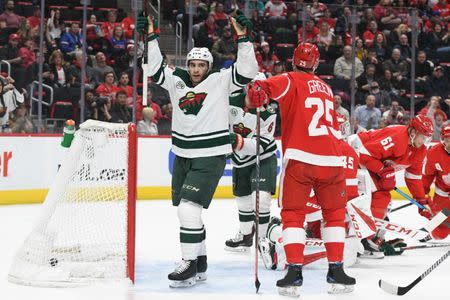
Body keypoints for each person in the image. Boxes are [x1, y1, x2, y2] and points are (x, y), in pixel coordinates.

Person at [137, 10, 257, 287]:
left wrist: (244, 39)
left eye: (201, 65)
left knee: (188, 210)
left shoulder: (221, 80)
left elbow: (248, 70)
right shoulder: (177, 79)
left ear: (209, 66)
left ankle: (189, 263)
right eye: (192, 64)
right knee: (186, 209)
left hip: (210, 155)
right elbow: (154, 69)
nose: (195, 69)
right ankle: (200, 263)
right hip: (182, 155)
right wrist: (152, 36)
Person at [246, 42, 355, 296]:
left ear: (293, 61)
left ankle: (294, 272)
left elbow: (256, 94)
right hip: (333, 158)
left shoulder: (289, 79)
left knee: (294, 214)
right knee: (335, 214)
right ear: (316, 65)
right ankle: (336, 271)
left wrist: (256, 89)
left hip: (301, 158)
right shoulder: (327, 88)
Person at [347, 114, 434, 254]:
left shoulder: (420, 150)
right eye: (423, 136)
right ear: (413, 132)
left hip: (369, 162)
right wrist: (382, 170)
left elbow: (414, 178)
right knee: (380, 195)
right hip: (353, 153)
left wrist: (422, 201)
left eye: (428, 138)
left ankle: (368, 236)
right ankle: (364, 239)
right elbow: (362, 153)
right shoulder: (397, 138)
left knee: (384, 197)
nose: (425, 141)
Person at [224, 73, 277, 252]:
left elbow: (260, 145)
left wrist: (234, 140)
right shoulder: (230, 101)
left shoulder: (269, 112)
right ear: (246, 88)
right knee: (243, 199)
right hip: (239, 160)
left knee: (261, 200)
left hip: (262, 159)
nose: (255, 106)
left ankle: (263, 240)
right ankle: (246, 236)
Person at [421, 124, 450, 240]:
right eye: (447, 140)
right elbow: (427, 177)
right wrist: (423, 197)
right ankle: (431, 232)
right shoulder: (434, 153)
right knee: (439, 234)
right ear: (443, 140)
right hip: (442, 196)